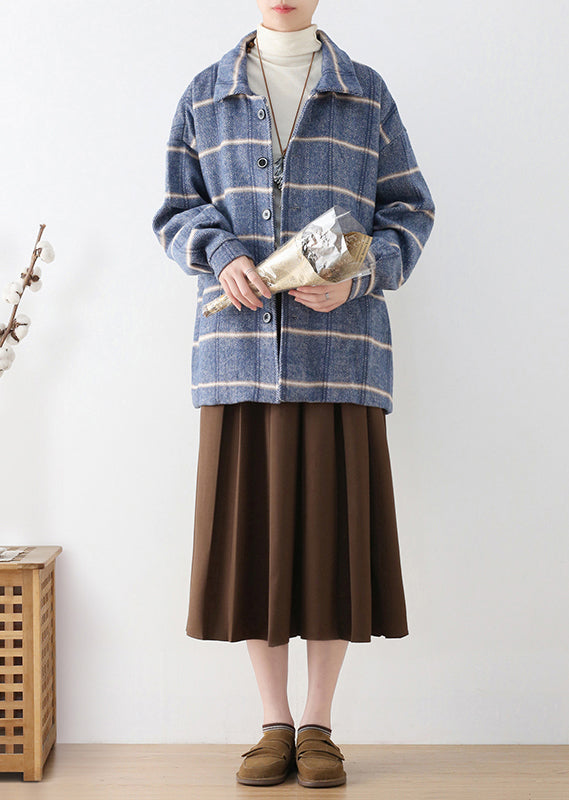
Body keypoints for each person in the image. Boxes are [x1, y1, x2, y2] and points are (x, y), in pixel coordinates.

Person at [152, 0, 435, 789]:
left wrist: (355, 273)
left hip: (342, 359)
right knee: (254, 547)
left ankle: (319, 725)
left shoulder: (365, 93)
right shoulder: (205, 95)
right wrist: (221, 254)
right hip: (238, 361)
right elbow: (176, 210)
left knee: (331, 546)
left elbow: (411, 209)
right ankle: (273, 723)